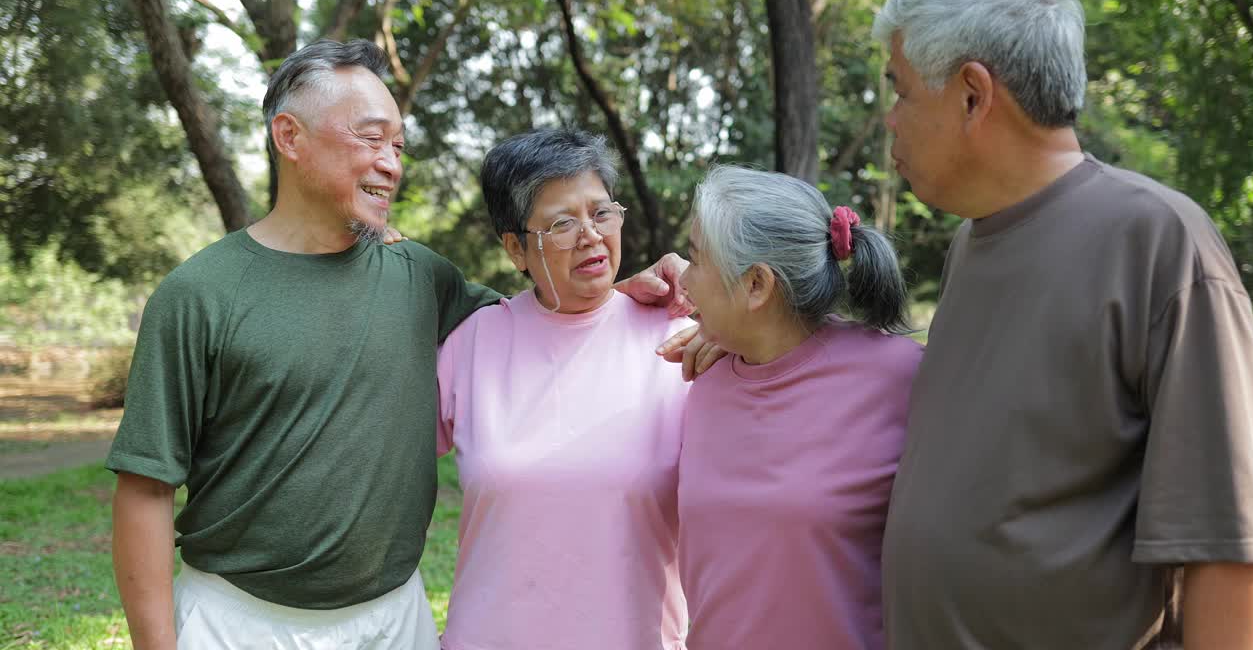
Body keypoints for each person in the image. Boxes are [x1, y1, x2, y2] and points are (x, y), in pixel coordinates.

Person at [106, 41, 689, 650]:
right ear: (289, 135)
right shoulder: (197, 295)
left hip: (393, 621)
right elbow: (145, 489)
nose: (391, 163)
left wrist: (624, 292)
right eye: (370, 138)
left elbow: (549, 313)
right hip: (236, 619)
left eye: (399, 146)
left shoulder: (421, 277)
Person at [872, 0, 1253, 649]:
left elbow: (1227, 547)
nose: (890, 120)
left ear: (973, 94)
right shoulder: (971, 245)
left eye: (901, 90)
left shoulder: (1159, 241)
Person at [434, 129, 694, 650]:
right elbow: (381, 478)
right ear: (515, 249)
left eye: (602, 213)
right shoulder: (473, 342)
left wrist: (718, 296)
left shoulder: (678, 338)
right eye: (561, 223)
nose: (591, 236)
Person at [674, 165, 922, 650]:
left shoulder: (903, 376)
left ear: (756, 286)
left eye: (696, 259)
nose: (685, 277)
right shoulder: (704, 378)